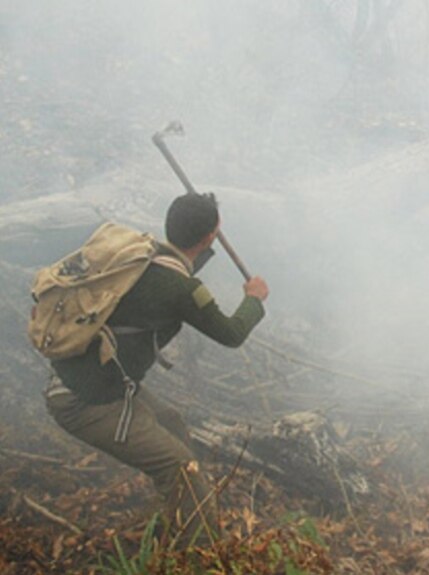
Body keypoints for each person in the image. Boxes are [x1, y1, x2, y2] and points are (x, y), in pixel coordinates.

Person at [44, 192, 269, 543]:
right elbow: (231, 333)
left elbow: (176, 274)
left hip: (93, 383)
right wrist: (254, 299)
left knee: (171, 423)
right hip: (86, 402)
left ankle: (174, 519)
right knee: (183, 470)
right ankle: (200, 558)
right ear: (210, 237)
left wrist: (203, 238)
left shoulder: (142, 254)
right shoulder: (180, 287)